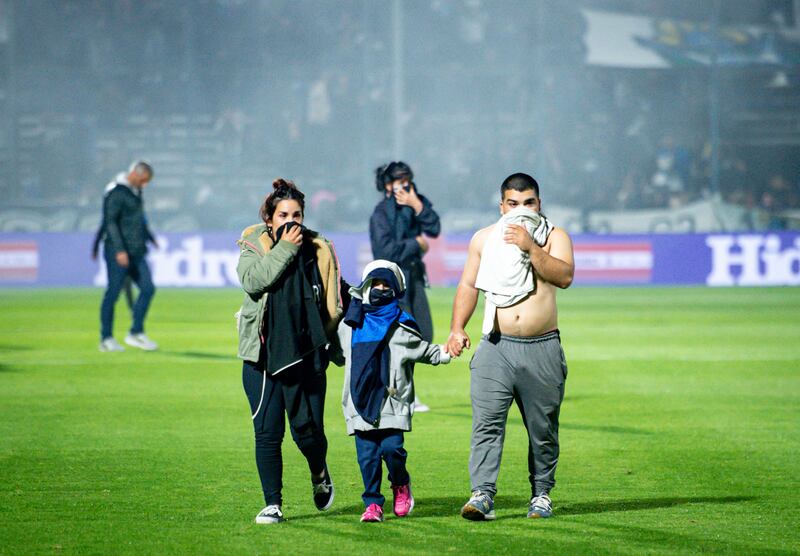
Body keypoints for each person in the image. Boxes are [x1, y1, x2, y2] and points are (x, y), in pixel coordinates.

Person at [445, 172, 574, 521]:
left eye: (528, 202)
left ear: (539, 203)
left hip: (542, 346)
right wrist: (457, 328)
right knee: (486, 423)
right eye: (513, 203)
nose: (521, 209)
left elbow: (563, 276)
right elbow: (469, 285)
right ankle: (482, 494)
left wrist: (530, 246)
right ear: (501, 206)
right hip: (496, 345)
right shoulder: (484, 239)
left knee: (542, 429)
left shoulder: (553, 236)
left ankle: (541, 494)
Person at [236, 178, 344, 524]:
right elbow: (254, 281)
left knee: (308, 433)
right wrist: (285, 249)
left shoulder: (319, 249)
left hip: (306, 355)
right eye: (283, 214)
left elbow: (332, 305)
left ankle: (318, 471)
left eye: (296, 214)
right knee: (268, 434)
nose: (290, 220)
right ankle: (272, 503)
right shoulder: (253, 245)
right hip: (262, 357)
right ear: (270, 218)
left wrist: (330, 347)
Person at [338, 260, 450, 523]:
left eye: (386, 284)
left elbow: (423, 350)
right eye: (375, 283)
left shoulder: (402, 325)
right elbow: (333, 351)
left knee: (392, 451)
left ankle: (401, 484)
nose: (380, 288)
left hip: (392, 401)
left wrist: (447, 351)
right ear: (366, 286)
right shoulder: (350, 324)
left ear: (396, 289)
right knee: (367, 458)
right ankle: (373, 504)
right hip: (358, 402)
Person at [369, 161, 441, 412]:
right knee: (399, 338)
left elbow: (434, 227)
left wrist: (417, 206)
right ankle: (400, 394)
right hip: (390, 283)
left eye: (407, 180)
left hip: (414, 279)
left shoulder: (415, 203)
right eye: (399, 181)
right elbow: (385, 251)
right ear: (388, 185)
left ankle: (404, 391)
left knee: (423, 334)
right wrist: (417, 244)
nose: (405, 186)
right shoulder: (381, 213)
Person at [98, 161, 159, 352]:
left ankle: (135, 332)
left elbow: (138, 220)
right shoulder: (116, 192)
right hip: (119, 252)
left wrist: (150, 237)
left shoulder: (135, 191)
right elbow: (110, 223)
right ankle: (106, 338)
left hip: (137, 251)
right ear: (135, 173)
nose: (145, 184)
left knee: (148, 288)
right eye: (144, 180)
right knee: (113, 293)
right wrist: (119, 250)